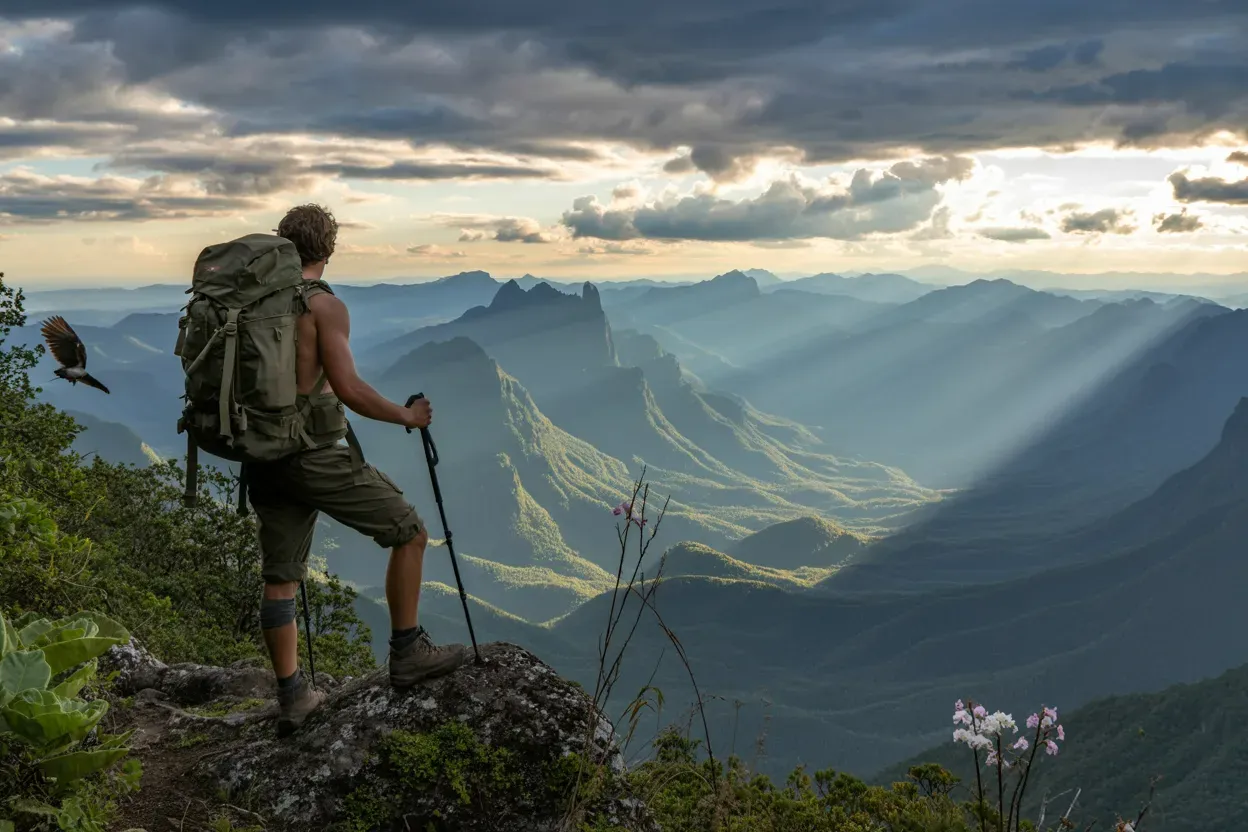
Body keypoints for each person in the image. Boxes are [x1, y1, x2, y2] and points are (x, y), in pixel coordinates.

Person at [244, 203, 469, 736]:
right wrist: (407, 417)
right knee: (410, 532)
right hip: (313, 456)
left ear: (282, 243)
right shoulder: (324, 306)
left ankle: (292, 696)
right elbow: (349, 389)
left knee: (280, 578)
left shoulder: (252, 299)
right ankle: (408, 652)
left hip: (260, 454)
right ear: (329, 250)